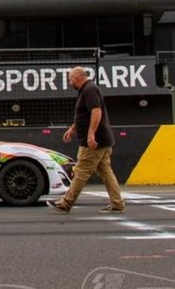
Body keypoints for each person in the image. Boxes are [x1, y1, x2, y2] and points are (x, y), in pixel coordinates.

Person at [47, 66, 125, 214]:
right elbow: (85, 114)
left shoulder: (89, 90)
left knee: (81, 172)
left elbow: (96, 112)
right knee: (106, 172)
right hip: (102, 139)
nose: (70, 83)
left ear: (77, 78)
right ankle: (117, 203)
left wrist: (91, 134)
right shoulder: (87, 89)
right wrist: (73, 128)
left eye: (70, 79)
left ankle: (66, 202)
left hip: (94, 142)